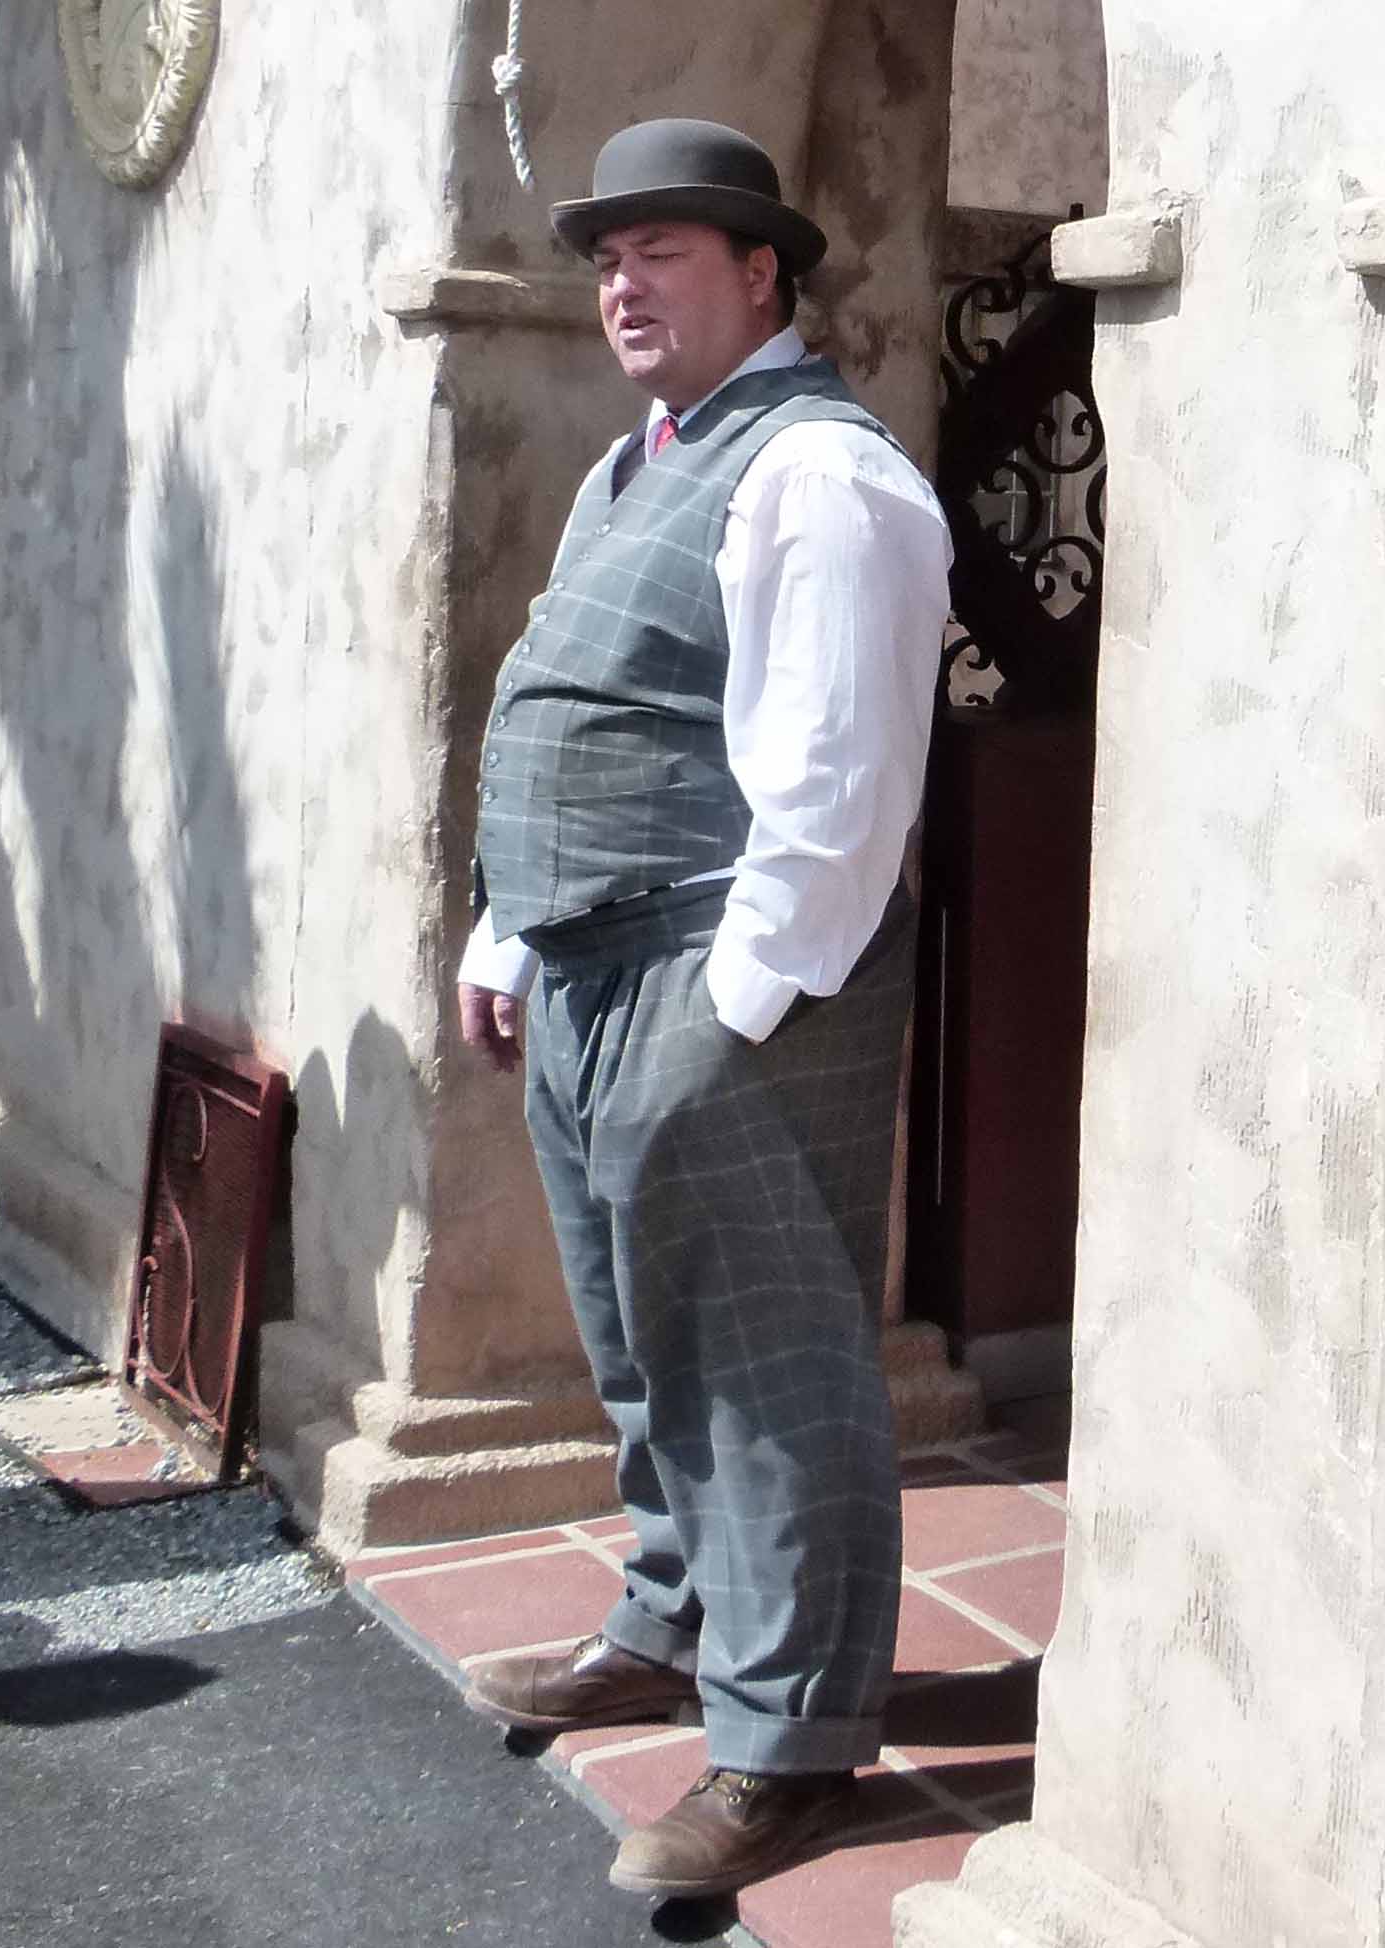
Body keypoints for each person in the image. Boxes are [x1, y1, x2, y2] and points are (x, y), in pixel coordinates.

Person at [450, 117, 949, 1899]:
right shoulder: (637, 463)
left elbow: (840, 785)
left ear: (762, 273)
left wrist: (732, 1008)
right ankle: (670, 1627)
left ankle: (789, 1745)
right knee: (642, 1344)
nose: (623, 285)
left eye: (662, 251)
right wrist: (511, 935)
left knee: (766, 1367)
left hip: (723, 980)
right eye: (608, 258)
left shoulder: (821, 474)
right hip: (593, 970)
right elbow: (581, 697)